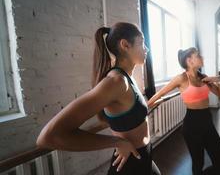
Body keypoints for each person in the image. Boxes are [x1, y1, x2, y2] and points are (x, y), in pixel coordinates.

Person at [36, 22, 160, 175]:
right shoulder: (116, 82)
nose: (146, 49)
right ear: (125, 45)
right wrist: (118, 142)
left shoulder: (128, 77)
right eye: (142, 43)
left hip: (144, 155)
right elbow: (49, 137)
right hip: (130, 164)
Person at [148, 47, 220, 175]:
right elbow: (160, 94)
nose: (202, 57)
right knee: (198, 164)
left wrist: (217, 81)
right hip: (192, 125)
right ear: (189, 60)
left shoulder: (204, 78)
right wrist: (144, 106)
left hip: (207, 122)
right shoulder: (181, 79)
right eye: (198, 56)